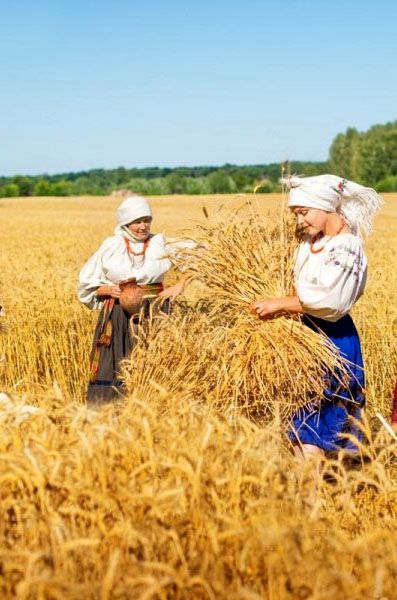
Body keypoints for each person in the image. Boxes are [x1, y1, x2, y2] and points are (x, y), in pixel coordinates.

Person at [251, 174, 382, 458]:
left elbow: (332, 302)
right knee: (299, 434)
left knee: (319, 436)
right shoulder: (308, 243)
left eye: (303, 213)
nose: (299, 221)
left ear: (325, 207)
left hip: (332, 342)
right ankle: (308, 500)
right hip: (300, 340)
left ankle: (315, 499)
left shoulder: (347, 247)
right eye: (296, 214)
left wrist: (280, 304)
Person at [78, 196, 191, 404]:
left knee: (156, 361)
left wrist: (180, 285)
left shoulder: (160, 242)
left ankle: (157, 411)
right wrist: (106, 289)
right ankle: (111, 412)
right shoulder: (111, 245)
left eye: (147, 220)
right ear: (125, 223)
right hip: (118, 314)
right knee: (116, 363)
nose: (143, 226)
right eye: (137, 221)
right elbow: (86, 283)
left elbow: (200, 257)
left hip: (156, 311)